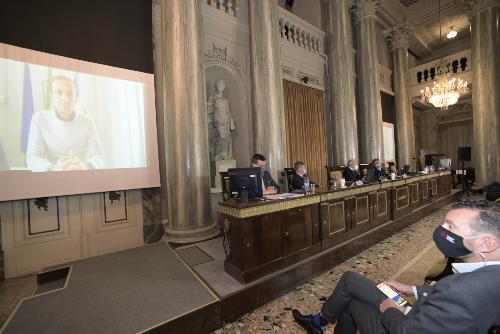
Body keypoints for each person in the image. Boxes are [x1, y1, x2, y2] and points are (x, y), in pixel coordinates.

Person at [292, 200, 500, 334]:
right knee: (350, 280)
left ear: (486, 243)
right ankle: (319, 322)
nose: (441, 231)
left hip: (408, 321)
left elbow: (408, 331)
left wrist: (392, 310)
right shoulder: (488, 275)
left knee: (351, 302)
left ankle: (318, 322)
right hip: (422, 315)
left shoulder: (460, 290)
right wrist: (413, 290)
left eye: (450, 227)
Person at [26, 75, 104, 172]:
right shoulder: (39, 119)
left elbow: (98, 155)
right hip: (52, 176)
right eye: (59, 92)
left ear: (76, 99)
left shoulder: (87, 122)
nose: (65, 98)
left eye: (70, 94)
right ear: (51, 97)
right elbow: (33, 157)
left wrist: (86, 167)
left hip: (81, 174)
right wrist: (53, 169)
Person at [207, 79, 236, 161]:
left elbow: (228, 111)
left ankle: (224, 154)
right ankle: (216, 154)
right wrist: (209, 119)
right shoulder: (212, 97)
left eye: (221, 86)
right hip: (218, 120)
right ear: (216, 87)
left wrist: (231, 121)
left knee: (227, 138)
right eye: (218, 85)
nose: (220, 87)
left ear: (223, 88)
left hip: (226, 120)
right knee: (221, 137)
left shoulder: (225, 100)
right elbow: (208, 109)